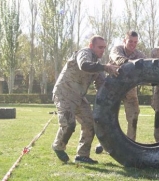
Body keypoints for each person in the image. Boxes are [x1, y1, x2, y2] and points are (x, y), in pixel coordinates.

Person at [51, 35, 119, 164]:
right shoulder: (84, 53)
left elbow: (101, 85)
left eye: (104, 48)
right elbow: (84, 65)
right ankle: (58, 146)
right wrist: (104, 67)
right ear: (91, 46)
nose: (102, 50)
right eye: (100, 47)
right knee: (69, 125)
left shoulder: (97, 65)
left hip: (79, 97)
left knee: (90, 124)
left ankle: (82, 155)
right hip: (64, 93)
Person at [95, 31, 145, 153]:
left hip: (129, 88)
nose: (133, 44)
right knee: (108, 116)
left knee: (133, 115)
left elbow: (145, 66)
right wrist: (136, 65)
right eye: (130, 41)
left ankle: (130, 143)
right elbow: (120, 60)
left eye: (135, 42)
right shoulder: (117, 49)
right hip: (113, 87)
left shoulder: (139, 54)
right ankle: (104, 142)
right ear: (124, 41)